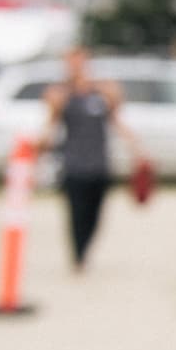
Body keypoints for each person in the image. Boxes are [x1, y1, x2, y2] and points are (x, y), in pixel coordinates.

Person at [38, 48, 142, 273]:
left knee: (96, 213)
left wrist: (137, 149)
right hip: (73, 165)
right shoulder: (62, 95)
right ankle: (78, 256)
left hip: (99, 163)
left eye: (80, 62)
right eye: (71, 63)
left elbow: (117, 119)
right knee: (76, 214)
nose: (76, 67)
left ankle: (85, 250)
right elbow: (50, 125)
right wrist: (38, 149)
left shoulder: (101, 93)